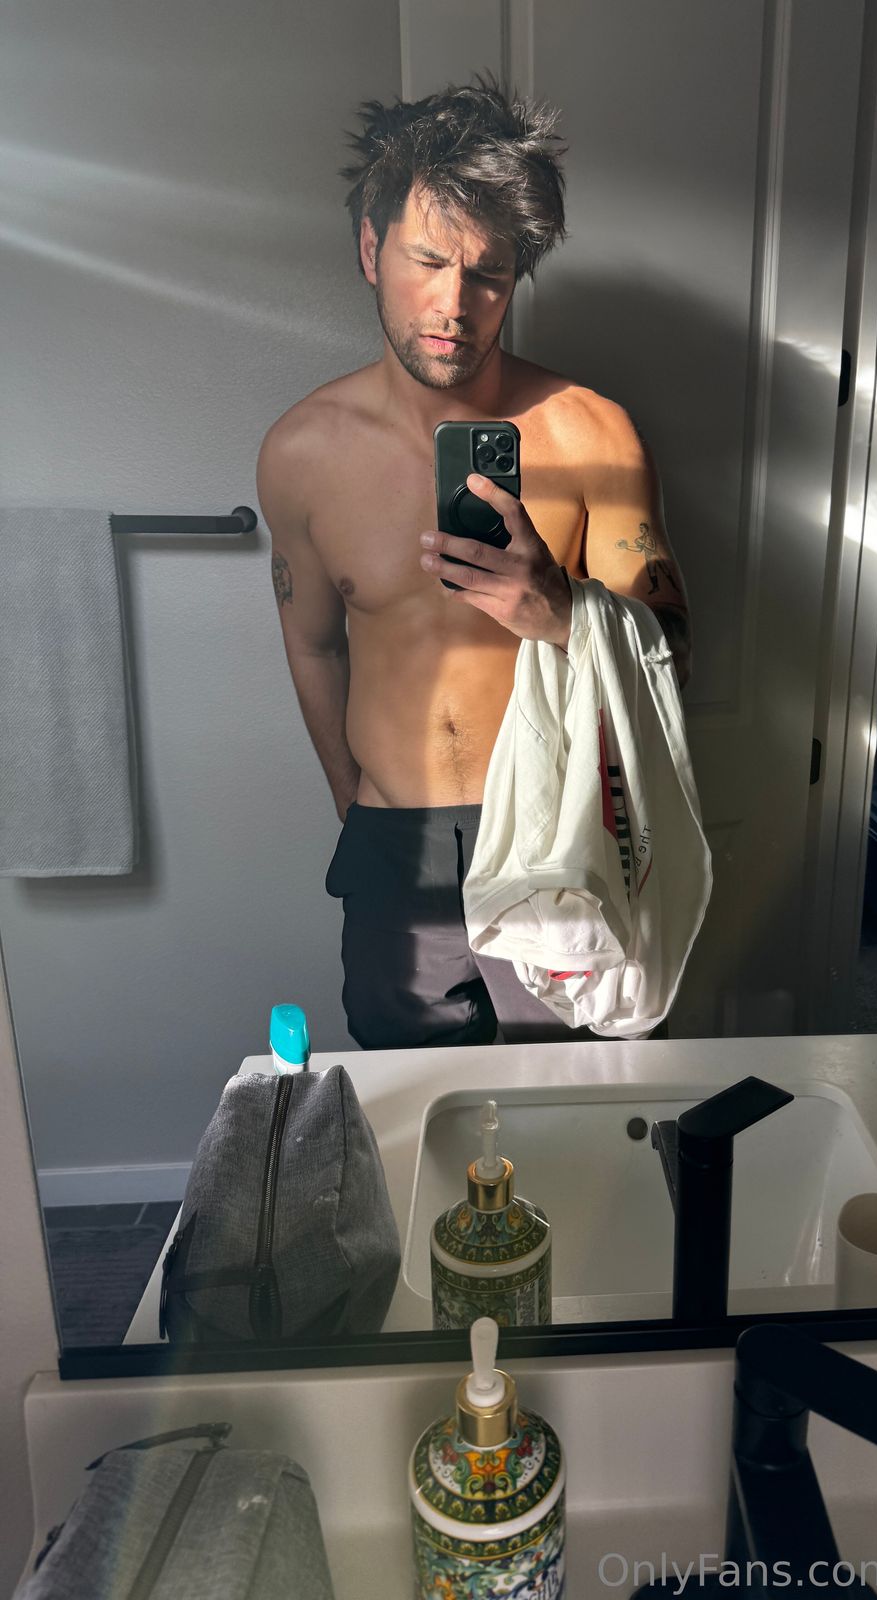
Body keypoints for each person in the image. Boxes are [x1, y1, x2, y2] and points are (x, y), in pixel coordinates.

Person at [257, 77, 691, 1049]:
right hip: (394, 841)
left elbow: (675, 651)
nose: (455, 304)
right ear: (370, 251)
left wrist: (563, 611)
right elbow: (315, 645)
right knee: (412, 1103)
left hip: (559, 831)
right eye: (427, 261)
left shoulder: (595, 434)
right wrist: (354, 799)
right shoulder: (300, 456)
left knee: (572, 1096)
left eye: (489, 273)